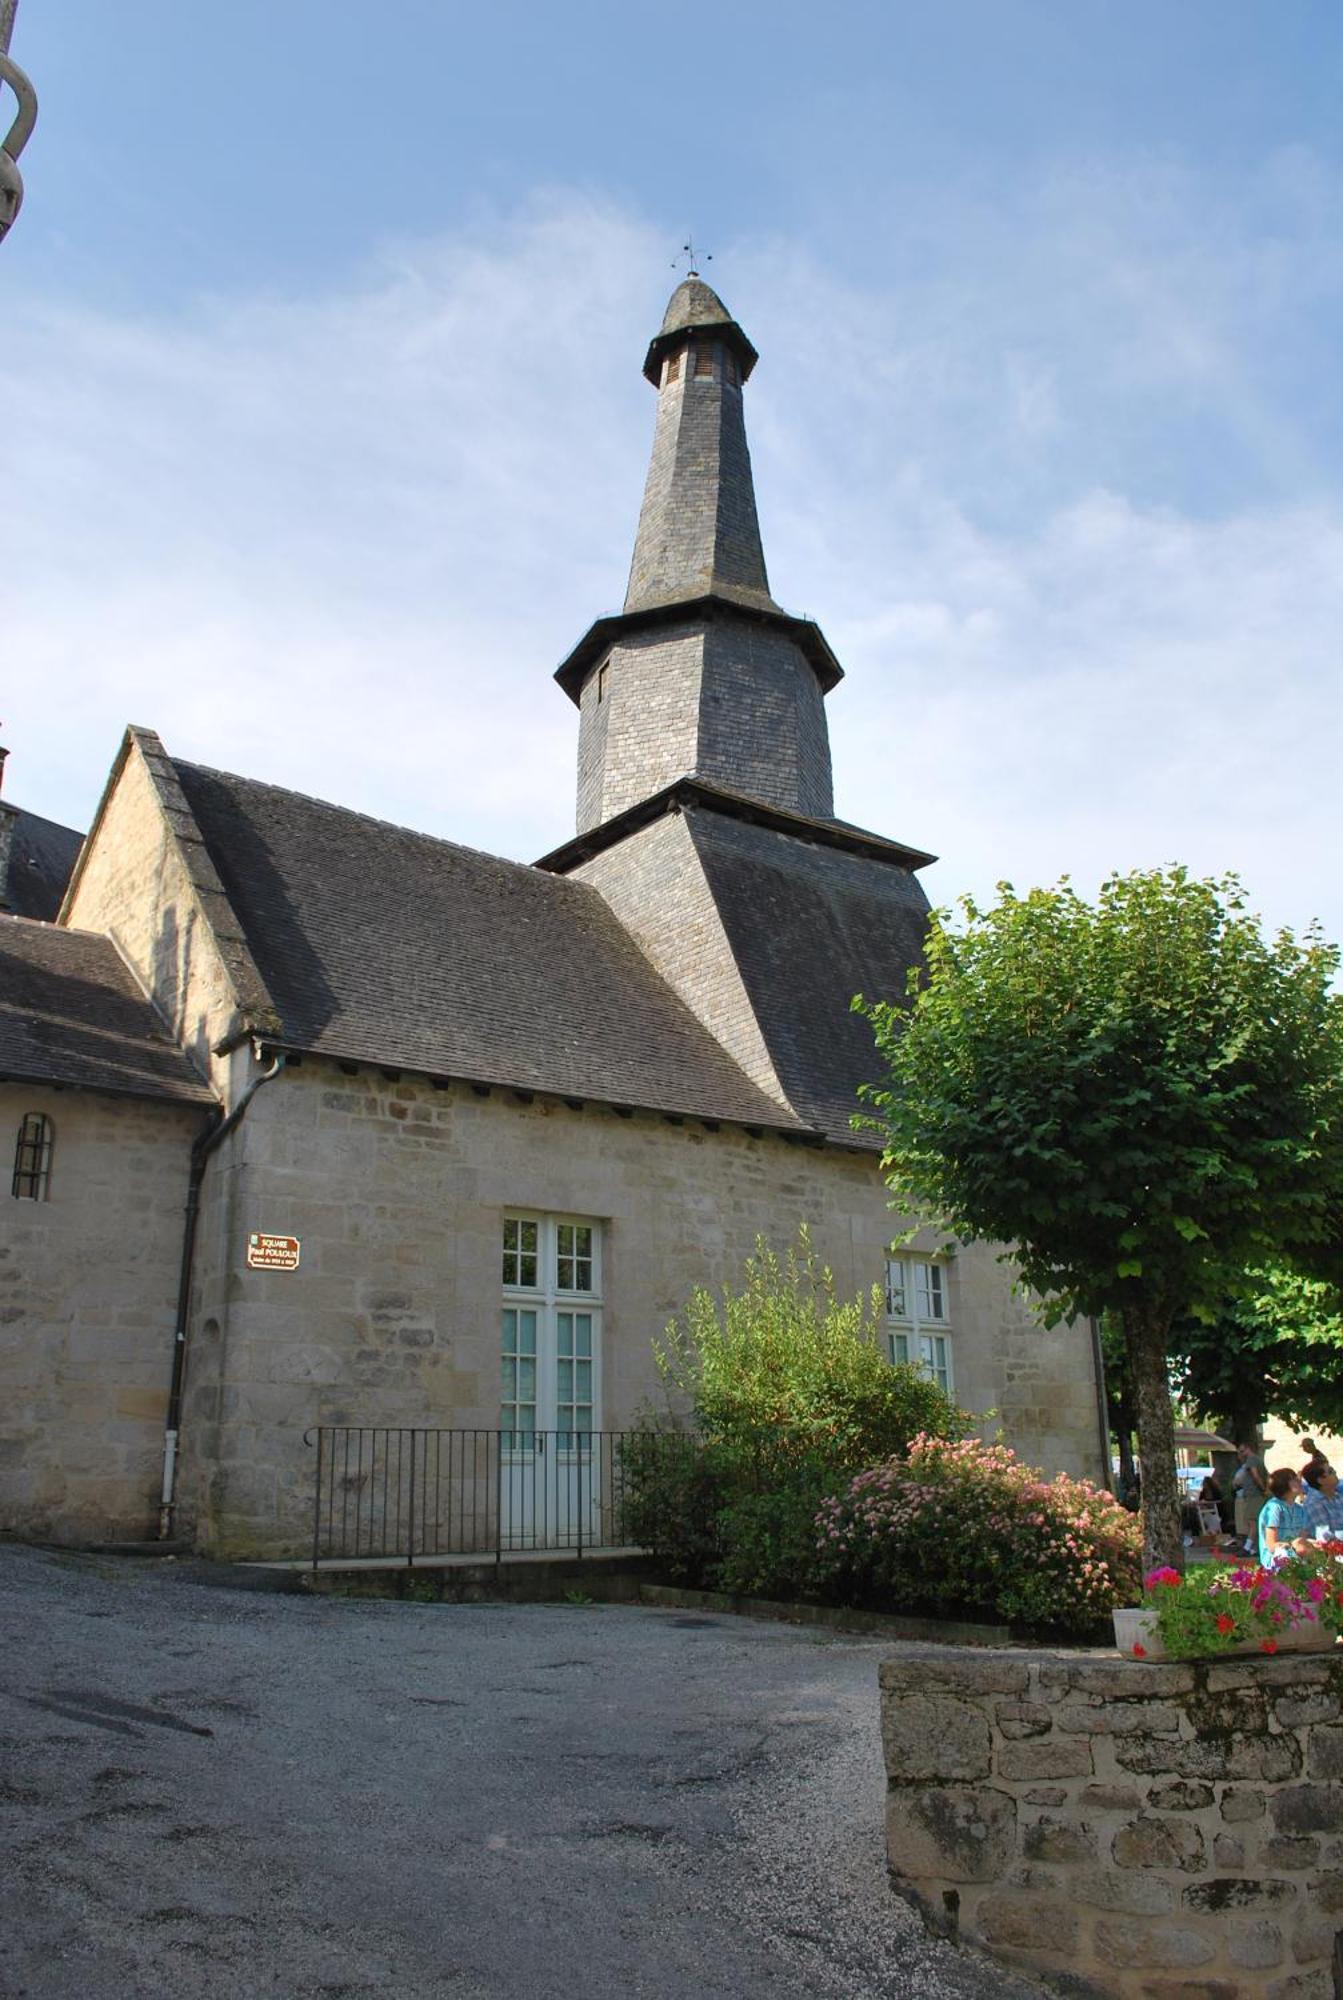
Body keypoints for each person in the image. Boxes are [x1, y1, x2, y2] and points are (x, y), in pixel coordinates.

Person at [1258, 1467, 1311, 1568]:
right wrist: (1293, 1546)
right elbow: (1271, 1546)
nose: (1299, 1480)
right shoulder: (1274, 1507)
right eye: (1294, 1479)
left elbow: (1302, 1539)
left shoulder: (1301, 1510)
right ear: (1283, 1485)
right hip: (1275, 1558)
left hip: (1296, 1554)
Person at [1233, 1441, 1269, 1554]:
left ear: (1249, 1449)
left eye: (1242, 1451)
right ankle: (1255, 1548)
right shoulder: (1257, 1459)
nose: (1241, 1454)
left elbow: (1255, 1475)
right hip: (1255, 1494)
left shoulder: (1251, 1460)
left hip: (1254, 1494)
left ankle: (1247, 1548)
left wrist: (1263, 1489)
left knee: (1252, 1521)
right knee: (1254, 1520)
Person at [1300, 1463, 1343, 1539]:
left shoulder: (1338, 1496)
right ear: (1320, 1480)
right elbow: (1327, 1538)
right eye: (1330, 1471)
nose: (1335, 1472)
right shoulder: (1314, 1503)